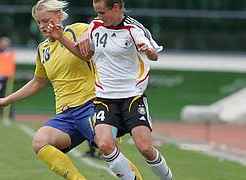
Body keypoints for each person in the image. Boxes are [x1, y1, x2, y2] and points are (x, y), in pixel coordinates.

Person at [0, 1, 141, 180]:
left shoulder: (78, 30)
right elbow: (38, 82)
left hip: (92, 105)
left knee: (108, 148)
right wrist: (7, 100)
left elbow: (106, 27)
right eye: (39, 22)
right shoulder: (42, 49)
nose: (43, 26)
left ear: (59, 16)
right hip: (67, 115)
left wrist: (90, 32)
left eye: (46, 20)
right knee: (40, 141)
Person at [47, 0, 173, 179]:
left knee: (145, 148)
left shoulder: (134, 29)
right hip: (104, 98)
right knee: (105, 145)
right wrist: (61, 37)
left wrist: (148, 50)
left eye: (101, 12)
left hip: (132, 97)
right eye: (96, 12)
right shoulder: (95, 26)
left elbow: (154, 55)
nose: (98, 17)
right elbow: (85, 55)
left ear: (116, 8)